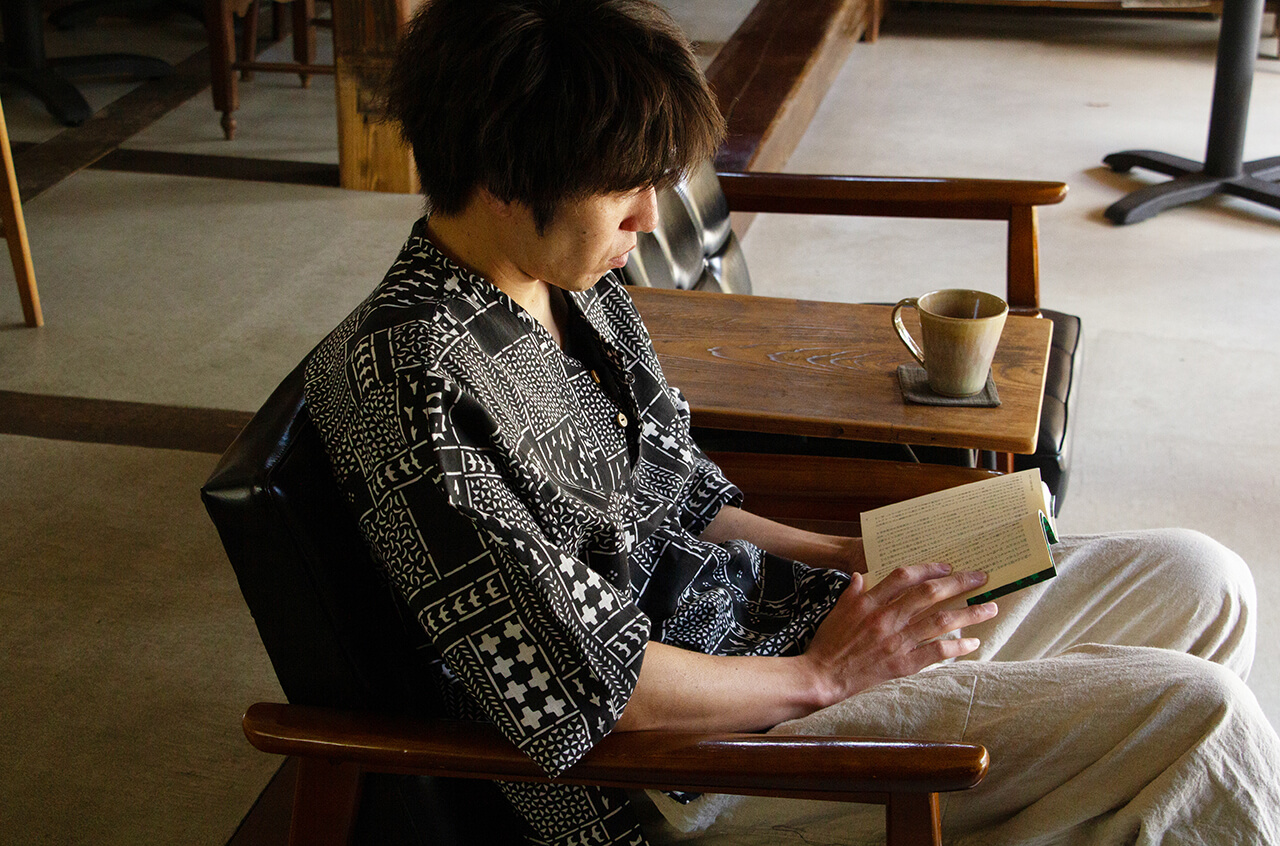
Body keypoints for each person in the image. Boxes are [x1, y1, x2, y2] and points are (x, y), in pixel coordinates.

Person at [302, 1, 1280, 844]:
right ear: (503, 178)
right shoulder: (409, 386)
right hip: (693, 765)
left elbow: (680, 488)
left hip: (777, 624)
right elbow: (587, 697)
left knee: (1203, 580)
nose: (650, 219)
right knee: (1194, 717)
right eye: (622, 187)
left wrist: (842, 557)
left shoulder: (568, 283)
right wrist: (827, 674)